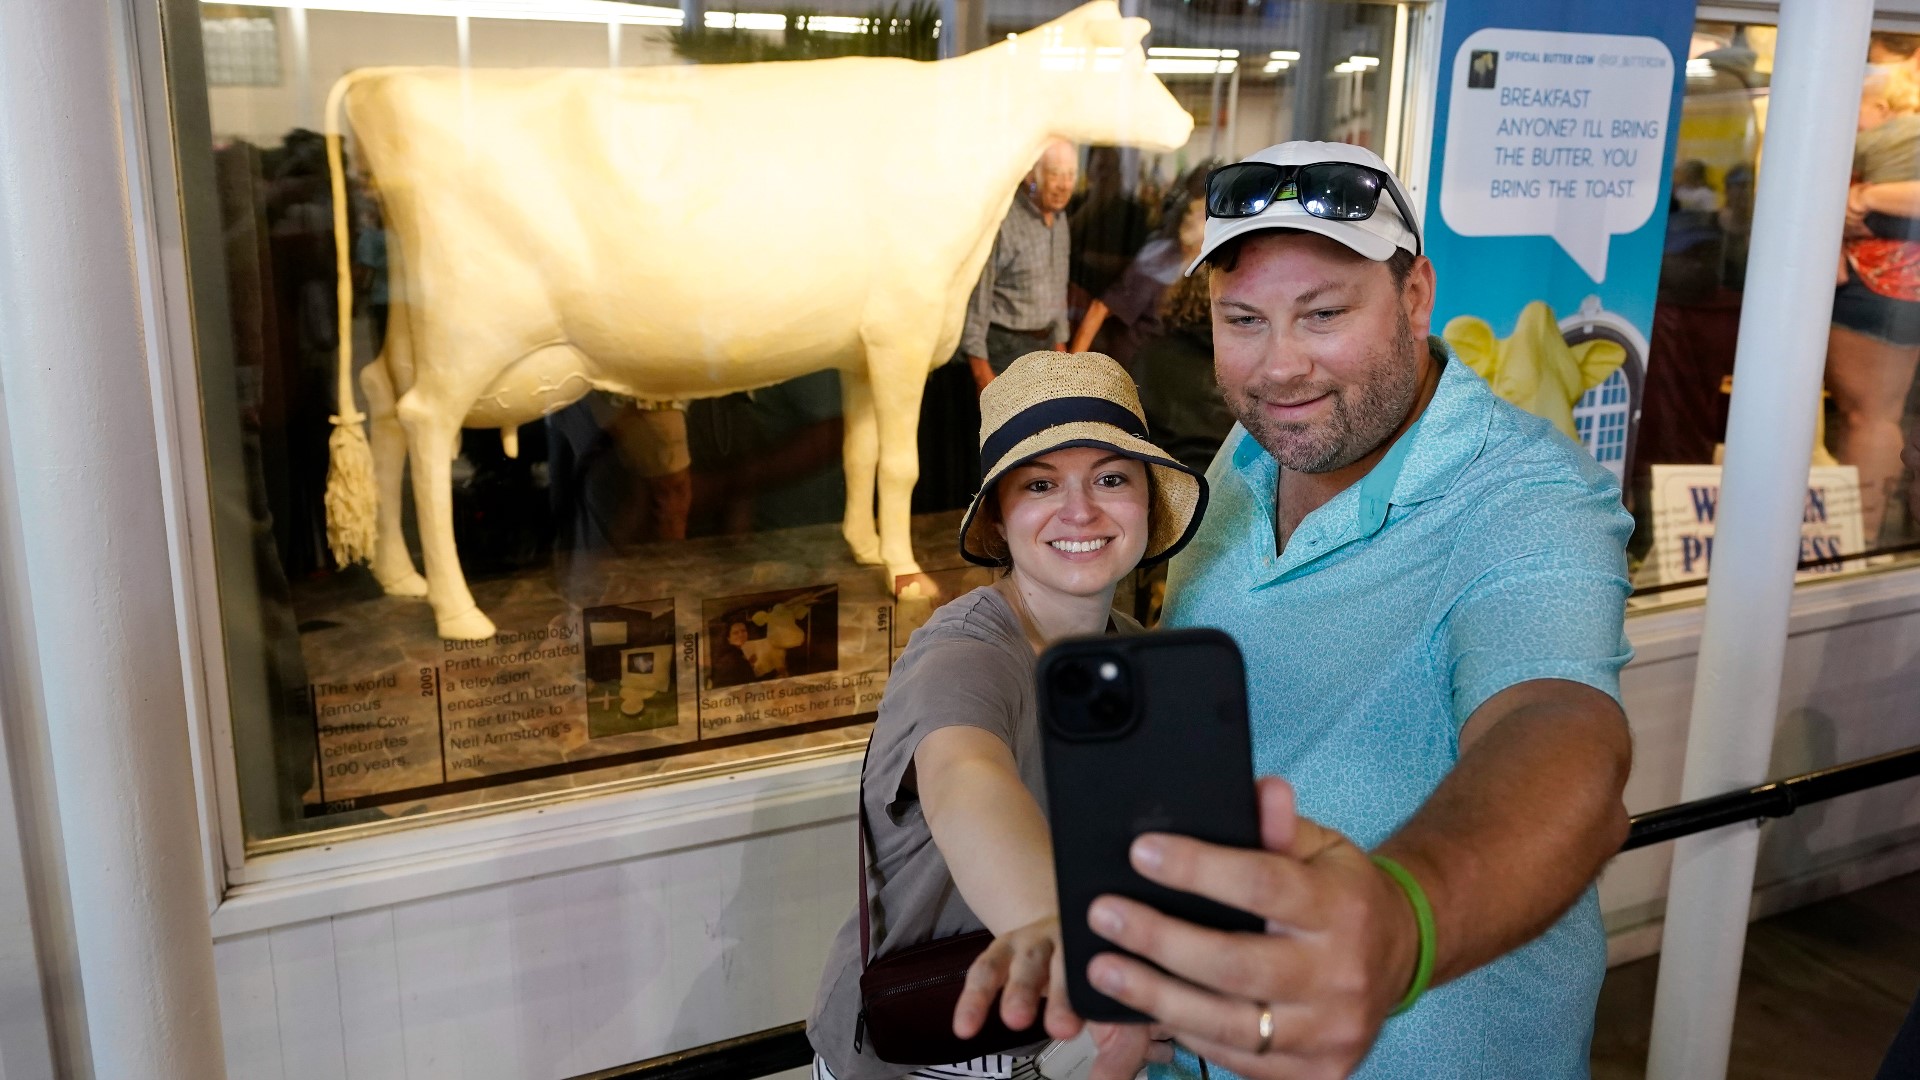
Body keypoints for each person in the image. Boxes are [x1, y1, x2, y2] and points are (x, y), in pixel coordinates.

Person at [1060, 141, 1637, 1080]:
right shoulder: (1245, 462)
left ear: (1415, 296)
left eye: (1323, 314)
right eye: (1242, 319)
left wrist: (1400, 923)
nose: (1280, 366)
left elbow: (1561, 728)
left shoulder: (1530, 498)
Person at [807, 352, 1207, 1080]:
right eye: (1041, 483)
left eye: (1111, 478)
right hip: (915, 1053)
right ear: (998, 516)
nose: (1080, 510)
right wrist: (1074, 959)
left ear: (1148, 499)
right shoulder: (964, 654)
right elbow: (966, 778)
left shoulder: (1140, 660)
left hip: (1046, 1050)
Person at [1830, 62, 1920, 538]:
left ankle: (1857, 542)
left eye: (1856, 106)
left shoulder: (1895, 141)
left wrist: (1864, 196)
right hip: (1889, 289)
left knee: (1870, 416)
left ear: (1881, 108)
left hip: (1881, 287)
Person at [964, 142, 1078, 391]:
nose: (1064, 185)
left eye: (1070, 175)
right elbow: (975, 307)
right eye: (1055, 174)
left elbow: (1058, 292)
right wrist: (983, 378)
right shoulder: (1002, 221)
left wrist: (1061, 354)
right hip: (1003, 352)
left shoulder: (1060, 219)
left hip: (1045, 350)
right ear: (1031, 176)